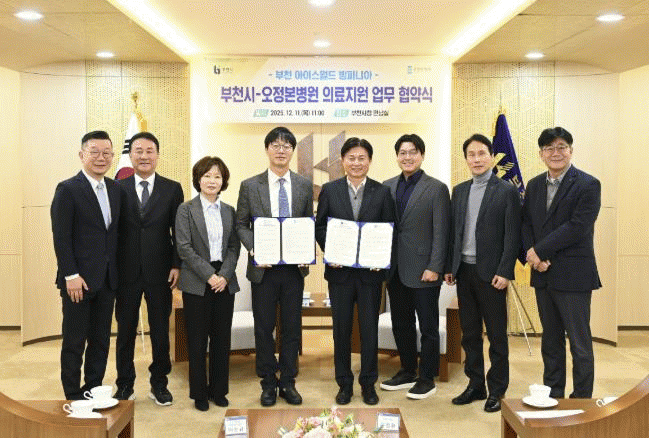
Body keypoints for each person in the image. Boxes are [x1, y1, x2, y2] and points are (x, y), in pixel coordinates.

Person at [235, 127, 313, 407]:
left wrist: (306, 250)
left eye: (286, 146)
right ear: (267, 149)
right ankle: (268, 383)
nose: (281, 150)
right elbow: (241, 224)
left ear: (292, 151)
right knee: (264, 328)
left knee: (292, 328)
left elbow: (308, 222)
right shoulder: (250, 185)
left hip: (293, 269)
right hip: (263, 268)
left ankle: (288, 382)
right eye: (276, 145)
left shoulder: (304, 185)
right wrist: (253, 248)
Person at [315, 137, 395, 406]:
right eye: (351, 158)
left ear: (369, 161)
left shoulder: (382, 192)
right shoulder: (330, 190)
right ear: (342, 161)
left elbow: (389, 229)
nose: (356, 163)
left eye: (362, 158)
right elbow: (320, 226)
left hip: (371, 274)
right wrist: (331, 252)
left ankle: (368, 383)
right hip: (340, 274)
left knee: (369, 330)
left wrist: (381, 257)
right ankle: (344, 383)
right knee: (341, 330)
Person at [522, 127, 601, 399]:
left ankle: (582, 400)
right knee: (550, 341)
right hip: (543, 275)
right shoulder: (534, 185)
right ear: (541, 154)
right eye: (549, 148)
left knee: (579, 344)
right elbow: (526, 224)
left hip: (573, 276)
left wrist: (539, 251)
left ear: (570, 150)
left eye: (561, 147)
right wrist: (533, 257)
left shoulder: (588, 184)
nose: (555, 153)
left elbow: (577, 227)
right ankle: (553, 395)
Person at [445, 134, 521, 412]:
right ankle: (475, 384)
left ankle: (497, 390)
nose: (476, 159)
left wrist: (505, 271)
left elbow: (512, 236)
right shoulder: (459, 191)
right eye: (471, 155)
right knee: (470, 334)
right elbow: (455, 232)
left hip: (492, 275)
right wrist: (450, 266)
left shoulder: (506, 191)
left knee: (497, 336)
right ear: (466, 159)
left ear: (491, 156)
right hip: (464, 272)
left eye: (481, 154)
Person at [113, 132, 184, 405]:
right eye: (138, 151)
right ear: (130, 155)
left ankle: (160, 384)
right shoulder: (117, 187)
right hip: (126, 272)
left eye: (149, 151)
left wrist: (176, 264)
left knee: (160, 332)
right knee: (125, 332)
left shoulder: (172, 188)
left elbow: (178, 231)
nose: (144, 156)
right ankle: (124, 384)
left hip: (161, 272)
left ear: (157, 155)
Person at [51, 130, 121, 400]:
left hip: (107, 280)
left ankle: (93, 389)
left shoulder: (115, 189)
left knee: (101, 340)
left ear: (112, 156)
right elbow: (61, 237)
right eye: (94, 152)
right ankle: (72, 395)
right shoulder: (68, 189)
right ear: (82, 155)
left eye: (106, 153)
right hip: (77, 281)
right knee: (74, 341)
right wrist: (71, 274)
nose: (101, 158)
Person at [380, 134, 450, 400]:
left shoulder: (436, 188)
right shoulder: (386, 186)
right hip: (395, 269)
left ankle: (427, 377)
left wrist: (435, 266)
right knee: (401, 323)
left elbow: (441, 231)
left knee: (428, 326)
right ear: (397, 156)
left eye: (412, 152)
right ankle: (407, 370)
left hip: (424, 270)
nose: (407, 157)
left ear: (421, 155)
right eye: (402, 152)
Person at [175, 156, 240, 411]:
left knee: (222, 339)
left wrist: (224, 275)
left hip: (224, 281)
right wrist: (209, 275)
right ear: (198, 180)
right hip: (197, 281)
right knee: (198, 340)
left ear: (223, 181)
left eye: (217, 176)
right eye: (207, 176)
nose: (212, 181)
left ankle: (219, 390)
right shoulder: (186, 209)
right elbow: (184, 247)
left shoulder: (229, 211)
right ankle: (200, 394)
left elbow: (234, 247)